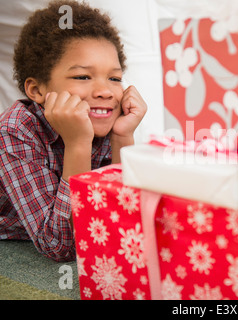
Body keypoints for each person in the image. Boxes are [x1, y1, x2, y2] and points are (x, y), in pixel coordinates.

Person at [0, 0, 147, 262]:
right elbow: (62, 246)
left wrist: (123, 138)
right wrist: (78, 144)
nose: (104, 91)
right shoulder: (15, 131)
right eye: (82, 77)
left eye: (114, 78)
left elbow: (123, 219)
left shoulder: (109, 124)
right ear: (37, 90)